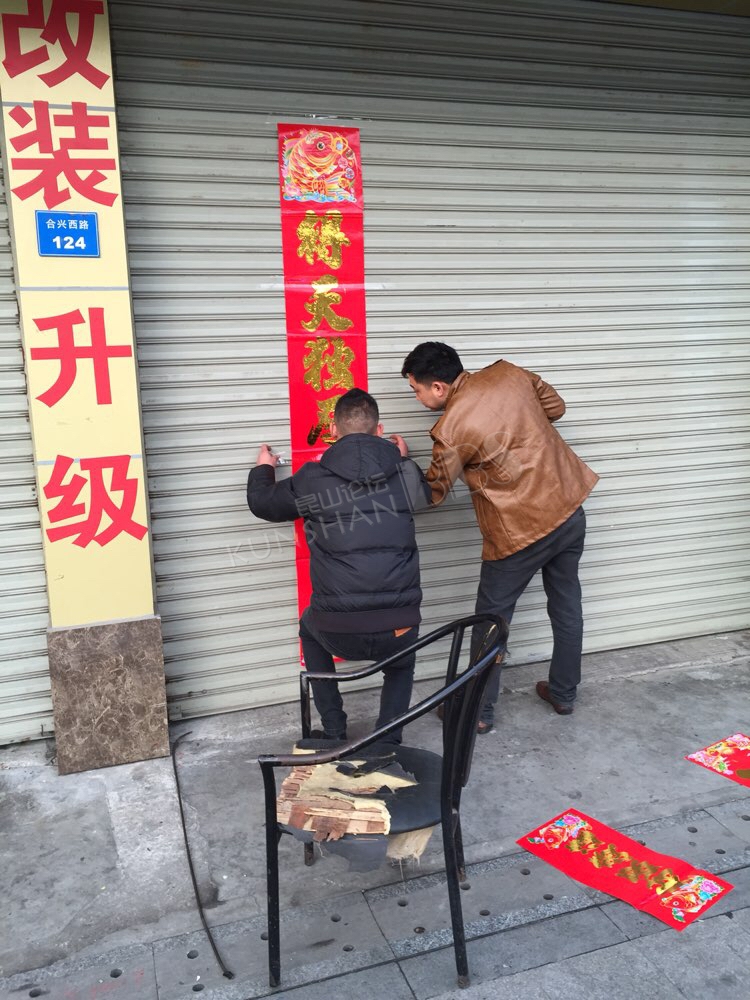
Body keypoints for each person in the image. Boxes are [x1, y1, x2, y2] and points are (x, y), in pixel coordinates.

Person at [395, 342, 598, 732]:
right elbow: (555, 408)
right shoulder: (510, 373)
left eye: (416, 390)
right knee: (567, 605)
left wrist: (402, 461)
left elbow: (433, 493)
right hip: (568, 505)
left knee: (491, 621)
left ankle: (479, 713)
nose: (417, 399)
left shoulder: (451, 429)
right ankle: (564, 693)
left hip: (518, 533)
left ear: (437, 387)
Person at [247, 387, 430, 742]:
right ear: (379, 431)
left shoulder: (312, 478)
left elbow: (263, 504)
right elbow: (424, 496)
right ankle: (388, 742)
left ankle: (334, 730)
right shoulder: (404, 473)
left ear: (332, 430)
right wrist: (404, 460)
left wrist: (264, 468)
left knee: (309, 629)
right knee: (401, 663)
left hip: (337, 629)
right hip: (399, 628)